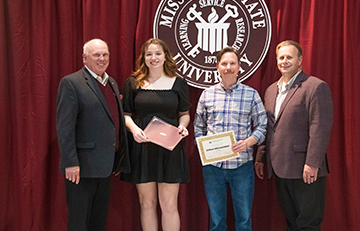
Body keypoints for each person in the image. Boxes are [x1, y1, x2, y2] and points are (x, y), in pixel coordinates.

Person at [255, 40, 333, 231]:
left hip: (305, 168)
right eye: (281, 57)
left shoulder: (315, 86)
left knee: (308, 223)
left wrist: (313, 163)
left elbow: (320, 127)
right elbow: (268, 126)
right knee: (291, 221)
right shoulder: (271, 90)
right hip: (279, 167)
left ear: (300, 60)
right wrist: (261, 157)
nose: (284, 61)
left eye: (289, 57)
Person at [56, 39, 130, 231]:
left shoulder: (111, 82)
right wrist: (70, 162)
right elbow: (65, 128)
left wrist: (118, 158)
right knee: (79, 222)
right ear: (84, 58)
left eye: (105, 54)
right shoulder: (71, 83)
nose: (102, 59)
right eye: (96, 55)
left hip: (105, 166)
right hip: (81, 167)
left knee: (98, 221)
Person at [120, 38, 190, 231]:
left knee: (169, 205)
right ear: (143, 57)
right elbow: (125, 115)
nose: (153, 58)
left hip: (170, 148)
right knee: (147, 204)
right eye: (149, 54)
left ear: (166, 56)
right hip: (142, 148)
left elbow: (184, 114)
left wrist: (183, 127)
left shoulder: (178, 83)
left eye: (158, 53)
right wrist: (134, 130)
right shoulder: (133, 83)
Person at [194, 46, 267, 231]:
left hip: (241, 165)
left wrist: (249, 142)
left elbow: (262, 126)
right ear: (217, 67)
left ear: (239, 67)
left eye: (232, 63)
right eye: (224, 63)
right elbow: (198, 127)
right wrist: (205, 148)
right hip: (213, 168)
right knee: (217, 221)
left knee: (244, 220)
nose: (228, 67)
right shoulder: (207, 95)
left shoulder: (251, 94)